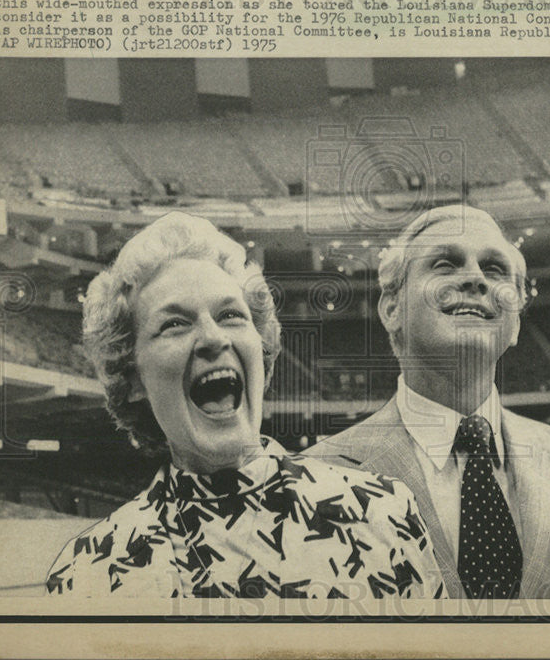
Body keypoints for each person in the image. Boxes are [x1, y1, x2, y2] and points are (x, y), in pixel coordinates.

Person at [46, 212, 443, 599]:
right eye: (175, 324)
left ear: (262, 350)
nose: (213, 339)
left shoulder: (383, 514)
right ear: (131, 376)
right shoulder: (88, 574)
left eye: (231, 315)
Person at [307, 205, 550, 600]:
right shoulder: (314, 478)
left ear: (516, 321)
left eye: (495, 269)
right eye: (445, 263)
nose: (474, 278)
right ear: (392, 308)